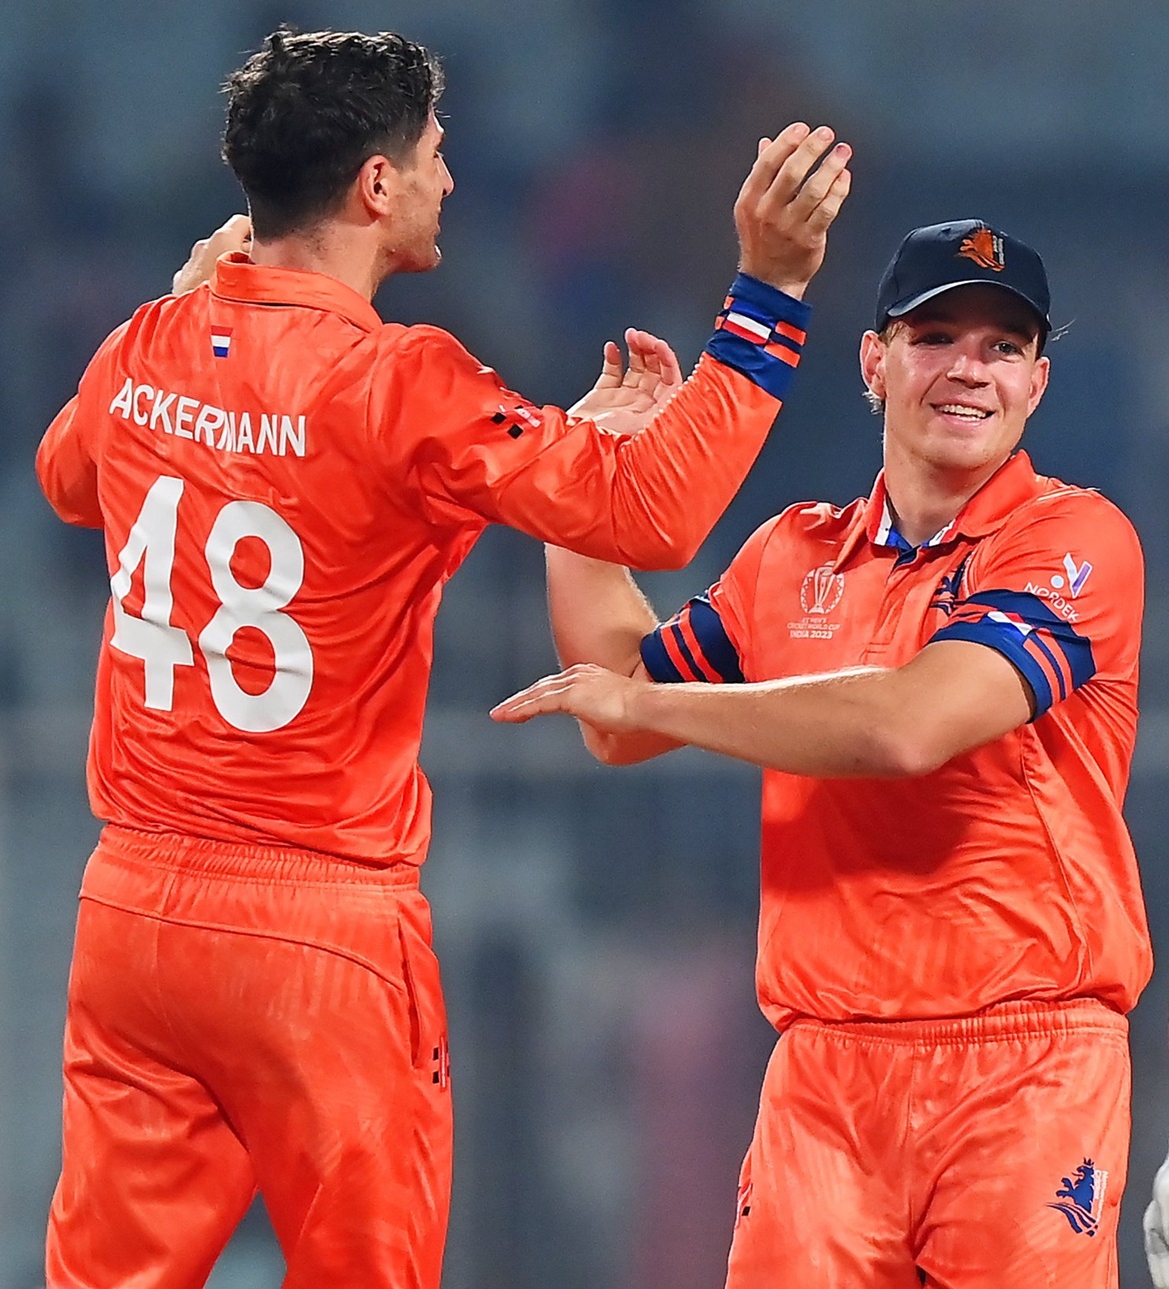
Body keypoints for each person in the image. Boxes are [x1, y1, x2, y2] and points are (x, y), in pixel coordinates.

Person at [33, 23, 852, 1289]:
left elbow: (67, 475)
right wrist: (770, 297)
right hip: (317, 924)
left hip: (132, 910)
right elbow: (656, 515)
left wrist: (195, 295)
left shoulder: (148, 339)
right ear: (374, 186)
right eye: (434, 153)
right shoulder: (401, 381)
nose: (450, 180)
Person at [493, 218, 1150, 1287]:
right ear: (873, 357)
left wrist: (656, 703)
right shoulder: (789, 554)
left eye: (1002, 346)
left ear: (1037, 381)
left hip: (1025, 1065)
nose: (969, 369)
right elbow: (616, 718)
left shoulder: (1078, 542)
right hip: (823, 1076)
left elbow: (907, 724)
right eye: (937, 335)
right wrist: (583, 497)